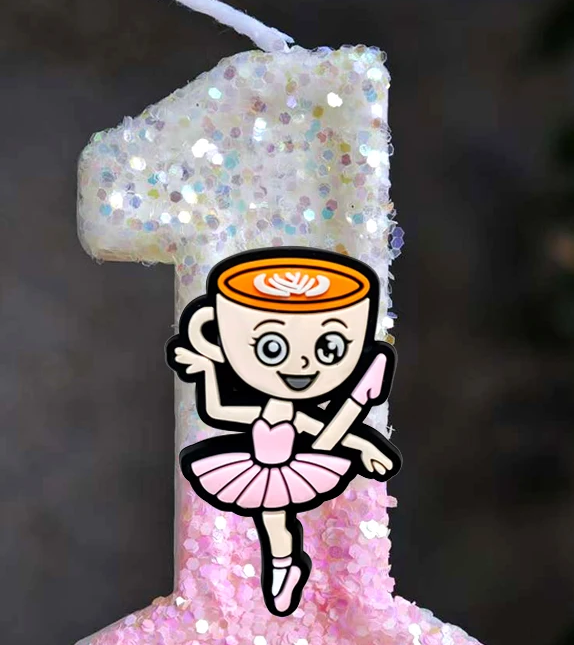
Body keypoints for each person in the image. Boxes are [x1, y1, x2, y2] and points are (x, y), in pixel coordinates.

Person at [167, 247, 401, 616]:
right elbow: (216, 410)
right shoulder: (267, 406)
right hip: (255, 468)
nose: (302, 363)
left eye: (329, 347)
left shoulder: (292, 413)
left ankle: (283, 566)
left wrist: (364, 446)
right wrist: (209, 367)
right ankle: (283, 565)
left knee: (276, 518)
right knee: (271, 518)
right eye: (271, 347)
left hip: (292, 468)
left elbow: (326, 432)